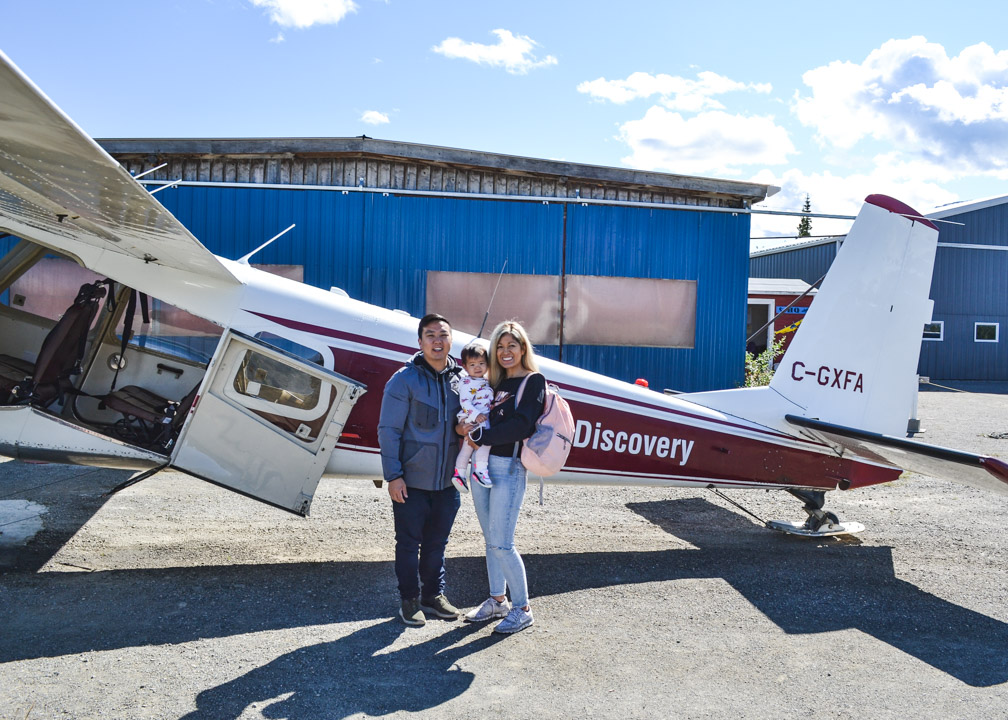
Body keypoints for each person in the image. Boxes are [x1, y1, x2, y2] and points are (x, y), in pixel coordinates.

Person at [377, 313, 467, 627]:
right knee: (408, 544)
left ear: (451, 340)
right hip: (411, 483)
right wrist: (393, 475)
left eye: (443, 334)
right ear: (420, 342)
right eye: (430, 335)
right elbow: (388, 430)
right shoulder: (403, 380)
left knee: (436, 545)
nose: (437, 341)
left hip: (447, 484)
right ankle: (410, 600)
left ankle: (433, 595)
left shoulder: (463, 381)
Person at [462, 320, 545, 634]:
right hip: (480, 466)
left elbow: (522, 425)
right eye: (500, 345)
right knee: (490, 540)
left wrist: (482, 435)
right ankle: (498, 600)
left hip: (508, 467)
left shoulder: (533, 381)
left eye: (512, 345)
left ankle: (522, 608)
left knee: (502, 543)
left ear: (523, 348)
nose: (506, 351)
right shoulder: (493, 382)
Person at [451, 342, 494, 493]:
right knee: (486, 442)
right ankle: (480, 470)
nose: (478, 367)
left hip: (477, 418)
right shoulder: (467, 382)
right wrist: (476, 415)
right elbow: (464, 402)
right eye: (473, 364)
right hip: (475, 418)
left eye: (482, 363)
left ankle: (459, 474)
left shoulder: (484, 381)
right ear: (465, 366)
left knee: (467, 448)